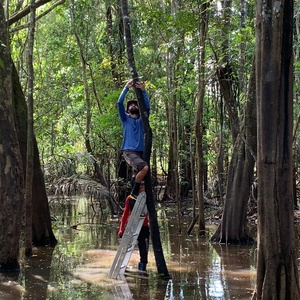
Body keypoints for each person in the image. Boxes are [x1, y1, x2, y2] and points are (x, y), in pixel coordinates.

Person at [117, 79, 150, 201]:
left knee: (141, 177)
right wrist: (126, 87)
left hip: (140, 152)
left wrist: (143, 91)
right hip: (129, 151)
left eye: (135, 104)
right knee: (144, 168)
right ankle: (133, 192)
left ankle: (137, 204)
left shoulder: (142, 120)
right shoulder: (125, 119)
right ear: (127, 110)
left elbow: (147, 108)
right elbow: (119, 103)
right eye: (130, 105)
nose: (133, 106)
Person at [118, 183, 150, 272]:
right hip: (132, 226)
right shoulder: (130, 198)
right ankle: (123, 268)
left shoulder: (148, 198)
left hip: (144, 227)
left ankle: (143, 269)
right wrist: (121, 229)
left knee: (144, 250)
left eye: (144, 185)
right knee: (126, 248)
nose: (142, 187)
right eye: (141, 185)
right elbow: (125, 214)